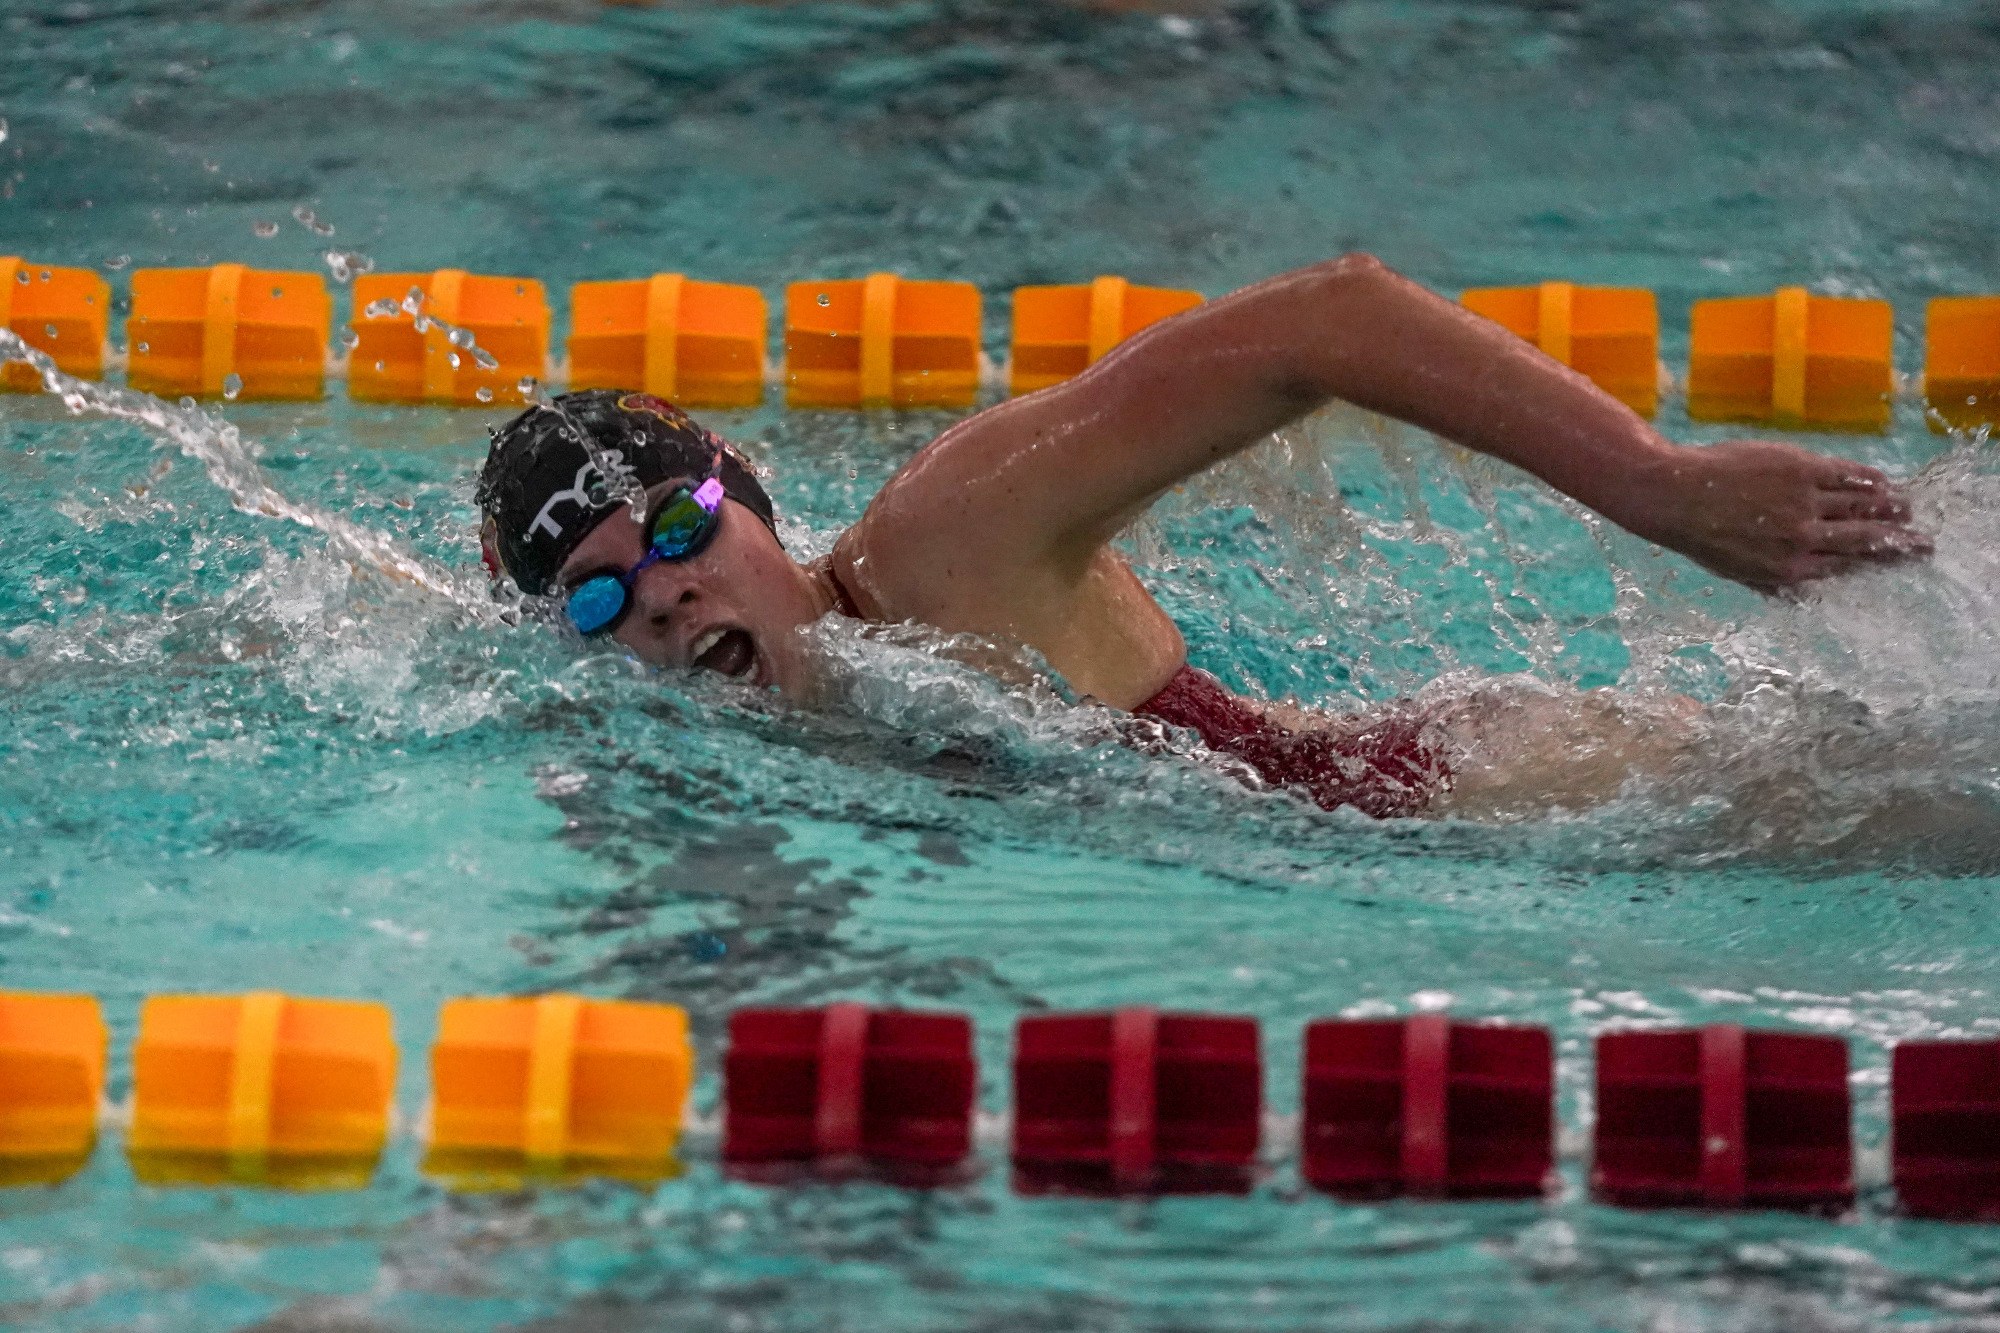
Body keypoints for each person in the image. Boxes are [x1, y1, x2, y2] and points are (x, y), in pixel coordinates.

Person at [476, 254, 1928, 819]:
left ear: (749, 495)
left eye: (675, 525)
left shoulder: (947, 538)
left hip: (1484, 801)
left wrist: (1656, 481)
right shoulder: (714, 729)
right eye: (602, 600)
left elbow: (1328, 317)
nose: (662, 594)